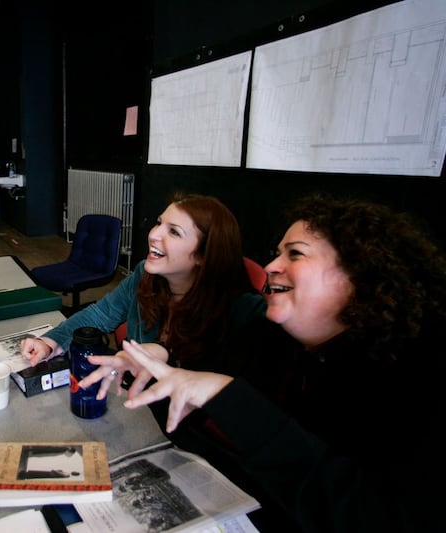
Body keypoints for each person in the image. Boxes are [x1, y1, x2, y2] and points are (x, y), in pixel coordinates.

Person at [89, 194, 446, 531]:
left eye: (296, 254)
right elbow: (204, 376)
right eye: (277, 253)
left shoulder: (410, 384)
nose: (272, 266)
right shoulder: (271, 336)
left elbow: (364, 511)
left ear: (361, 279)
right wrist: (162, 355)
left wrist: (226, 395)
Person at [20, 192, 265, 415]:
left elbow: (232, 393)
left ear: (203, 255)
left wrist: (162, 355)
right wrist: (50, 341)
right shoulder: (145, 275)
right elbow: (101, 314)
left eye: (174, 232)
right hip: (135, 405)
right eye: (159, 223)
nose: (153, 235)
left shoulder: (242, 310)